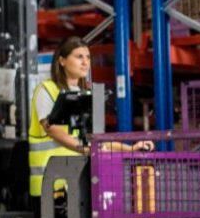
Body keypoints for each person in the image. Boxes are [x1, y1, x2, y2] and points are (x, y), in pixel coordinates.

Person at [28, 36, 149, 196]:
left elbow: (95, 141)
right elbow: (53, 130)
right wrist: (87, 149)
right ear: (62, 61)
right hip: (51, 189)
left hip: (79, 185)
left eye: (88, 57)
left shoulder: (85, 94)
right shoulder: (46, 90)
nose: (85, 62)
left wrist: (130, 148)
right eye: (79, 57)